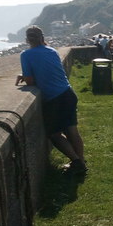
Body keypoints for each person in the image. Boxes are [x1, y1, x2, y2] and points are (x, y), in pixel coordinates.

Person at [15, 26, 87, 174]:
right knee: (72, 131)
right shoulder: (52, 51)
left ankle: (76, 162)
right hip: (68, 93)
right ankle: (81, 163)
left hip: (54, 98)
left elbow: (30, 82)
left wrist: (25, 76)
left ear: (27, 40)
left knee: (54, 134)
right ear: (42, 37)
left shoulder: (26, 55)